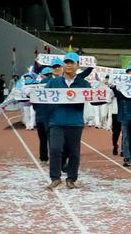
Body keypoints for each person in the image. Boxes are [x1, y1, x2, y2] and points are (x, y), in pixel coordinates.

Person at [44, 53, 93, 190]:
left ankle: (71, 178)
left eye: (72, 63)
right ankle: (55, 178)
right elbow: (43, 98)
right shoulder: (53, 82)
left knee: (74, 152)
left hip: (75, 123)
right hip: (56, 122)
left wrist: (106, 94)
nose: (68, 65)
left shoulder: (83, 83)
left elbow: (93, 100)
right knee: (55, 149)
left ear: (77, 65)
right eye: (66, 62)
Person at [31, 66, 54, 162]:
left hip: (40, 117)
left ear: (43, 76)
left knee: (43, 140)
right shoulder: (55, 84)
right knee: (53, 140)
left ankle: (43, 158)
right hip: (52, 118)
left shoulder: (37, 86)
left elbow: (34, 105)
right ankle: (55, 158)